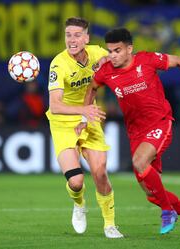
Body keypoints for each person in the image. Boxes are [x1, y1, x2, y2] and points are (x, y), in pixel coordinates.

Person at [76, 28, 180, 236]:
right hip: (135, 133)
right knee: (152, 194)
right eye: (110, 51)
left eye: (118, 50)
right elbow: (92, 87)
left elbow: (178, 60)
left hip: (160, 123)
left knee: (139, 162)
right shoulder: (106, 71)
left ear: (129, 49)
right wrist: (84, 115)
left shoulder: (147, 60)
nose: (113, 55)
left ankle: (168, 212)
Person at [46, 17, 123, 238]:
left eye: (77, 35)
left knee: (100, 172)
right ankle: (79, 205)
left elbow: (117, 60)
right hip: (63, 123)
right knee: (76, 181)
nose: (72, 39)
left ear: (86, 38)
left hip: (88, 118)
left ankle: (110, 224)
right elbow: (55, 105)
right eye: (68, 35)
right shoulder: (58, 64)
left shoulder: (97, 53)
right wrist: (83, 111)